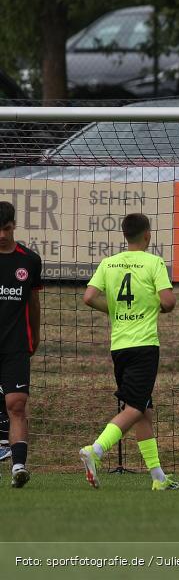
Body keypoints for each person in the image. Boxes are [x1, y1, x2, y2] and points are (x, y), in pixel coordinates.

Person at [81, 213, 179, 490]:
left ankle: (158, 479)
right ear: (147, 235)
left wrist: (114, 310)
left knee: (144, 410)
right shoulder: (154, 262)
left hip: (119, 346)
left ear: (125, 235)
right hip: (144, 345)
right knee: (135, 408)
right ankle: (96, 450)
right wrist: (158, 307)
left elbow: (88, 297)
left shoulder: (108, 263)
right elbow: (169, 302)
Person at [0, 201, 41, 488]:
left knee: (16, 405)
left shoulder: (29, 260)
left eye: (6, 228)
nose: (2, 235)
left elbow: (34, 302)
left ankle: (18, 467)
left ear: (14, 226)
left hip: (16, 345)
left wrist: (35, 335)